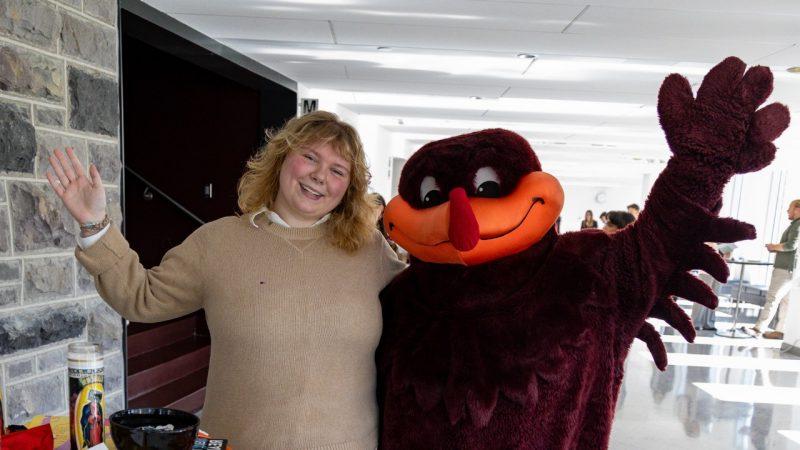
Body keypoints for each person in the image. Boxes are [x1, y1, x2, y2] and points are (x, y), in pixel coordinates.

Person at [45, 111, 407, 448]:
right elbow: (141, 297)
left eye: (338, 170)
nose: (320, 176)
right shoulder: (218, 243)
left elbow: (428, 311)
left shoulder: (368, 250)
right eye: (310, 157)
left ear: (350, 186)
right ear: (281, 157)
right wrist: (95, 225)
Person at [749, 199, 800, 339]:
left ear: (797, 209)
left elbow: (791, 246)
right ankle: (780, 331)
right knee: (785, 302)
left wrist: (773, 247)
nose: (787, 211)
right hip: (793, 269)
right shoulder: (796, 224)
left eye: (789, 208)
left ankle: (758, 329)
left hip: (785, 268)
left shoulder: (797, 224)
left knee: (772, 299)